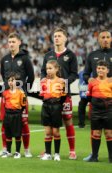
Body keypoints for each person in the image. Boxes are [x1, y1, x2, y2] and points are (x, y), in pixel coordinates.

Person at [41, 27, 78, 159]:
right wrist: (43, 81)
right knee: (49, 124)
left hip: (64, 94)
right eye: (55, 36)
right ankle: (48, 151)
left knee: (68, 121)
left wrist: (65, 82)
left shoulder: (71, 55)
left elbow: (75, 74)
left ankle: (72, 150)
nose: (56, 38)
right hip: (50, 95)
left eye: (59, 36)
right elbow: (42, 72)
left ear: (65, 38)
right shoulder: (48, 55)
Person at [0, 32, 34, 157]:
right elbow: (3, 75)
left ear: (19, 42)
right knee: (4, 123)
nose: (11, 44)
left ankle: (27, 150)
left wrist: (24, 91)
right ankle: (5, 149)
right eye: (9, 42)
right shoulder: (5, 59)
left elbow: (31, 76)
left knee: (24, 123)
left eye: (13, 42)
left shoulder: (25, 58)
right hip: (7, 96)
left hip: (20, 97)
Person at [83, 30, 112, 161]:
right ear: (98, 40)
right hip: (96, 97)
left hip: (110, 99)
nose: (105, 39)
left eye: (107, 37)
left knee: (109, 131)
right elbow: (86, 73)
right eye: (102, 37)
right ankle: (94, 155)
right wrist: (88, 79)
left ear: (111, 39)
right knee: (95, 130)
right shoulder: (92, 55)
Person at [85, 60, 112, 163]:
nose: (100, 70)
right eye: (99, 68)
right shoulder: (92, 82)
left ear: (107, 70)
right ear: (96, 69)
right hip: (96, 111)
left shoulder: (110, 81)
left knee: (109, 133)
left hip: (109, 111)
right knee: (96, 133)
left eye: (103, 68)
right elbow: (89, 97)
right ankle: (94, 157)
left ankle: (111, 157)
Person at [40, 60, 66, 161]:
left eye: (50, 68)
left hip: (56, 107)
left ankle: (57, 154)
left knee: (56, 132)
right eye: (47, 69)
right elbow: (43, 95)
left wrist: (57, 104)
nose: (48, 71)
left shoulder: (61, 81)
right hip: (46, 106)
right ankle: (47, 153)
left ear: (56, 69)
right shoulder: (43, 81)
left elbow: (63, 96)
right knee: (47, 132)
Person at [1, 73, 26, 159]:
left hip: (17, 115)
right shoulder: (5, 93)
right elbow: (4, 105)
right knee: (8, 134)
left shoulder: (21, 93)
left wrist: (18, 112)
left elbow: (23, 105)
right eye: (9, 81)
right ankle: (8, 151)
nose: (11, 82)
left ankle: (17, 152)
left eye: (13, 80)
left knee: (17, 134)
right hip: (8, 115)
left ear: (16, 81)